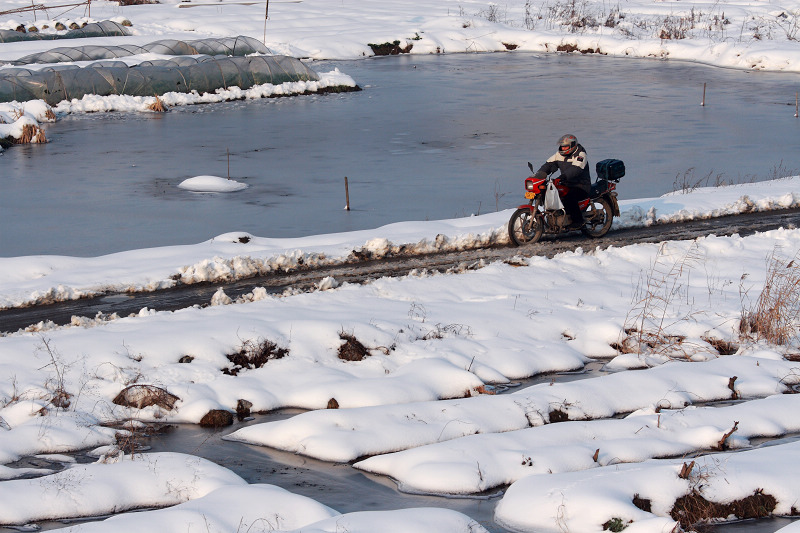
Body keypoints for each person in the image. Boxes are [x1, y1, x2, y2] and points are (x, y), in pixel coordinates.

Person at [533, 134, 591, 230]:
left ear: (573, 146)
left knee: (569, 197)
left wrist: (563, 177)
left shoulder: (581, 155)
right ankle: (556, 218)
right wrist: (540, 174)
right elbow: (548, 165)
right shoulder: (559, 154)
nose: (563, 149)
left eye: (565, 147)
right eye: (562, 146)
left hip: (581, 185)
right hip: (566, 183)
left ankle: (578, 221)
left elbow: (576, 169)